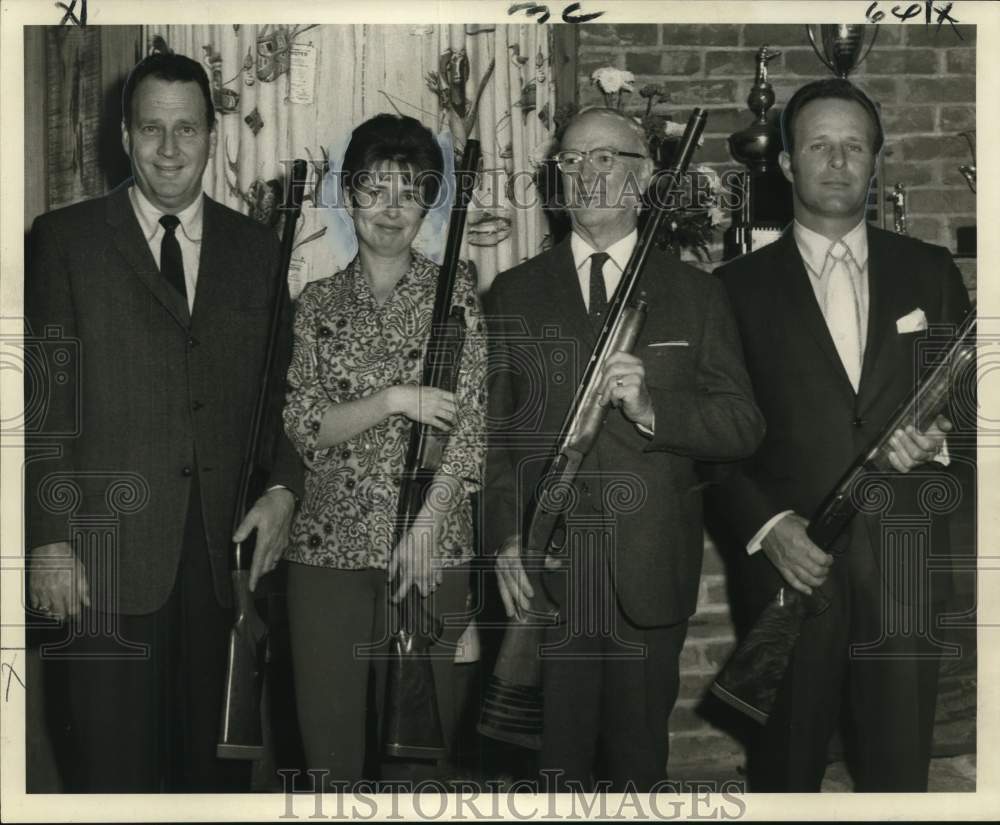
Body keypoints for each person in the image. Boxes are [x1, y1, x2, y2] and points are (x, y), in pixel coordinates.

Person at [25, 52, 302, 792]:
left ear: (214, 136)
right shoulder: (64, 241)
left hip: (225, 568)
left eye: (187, 129)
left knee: (213, 782)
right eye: (152, 129)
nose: (170, 149)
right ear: (125, 135)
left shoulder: (258, 251)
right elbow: (43, 409)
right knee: (109, 779)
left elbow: (287, 396)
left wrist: (282, 490)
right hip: (101, 566)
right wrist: (49, 538)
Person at [484, 108, 764, 791]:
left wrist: (651, 409)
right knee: (554, 773)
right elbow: (491, 441)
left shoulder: (695, 294)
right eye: (573, 161)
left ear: (643, 180)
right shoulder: (514, 293)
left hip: (648, 572)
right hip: (548, 578)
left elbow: (741, 425)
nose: (588, 173)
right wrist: (501, 539)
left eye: (607, 158)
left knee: (639, 771)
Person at [713, 78, 972, 791]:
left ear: (876, 161)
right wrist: (769, 526)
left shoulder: (931, 272)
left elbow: (971, 414)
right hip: (791, 572)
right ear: (789, 164)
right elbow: (711, 441)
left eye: (853, 146)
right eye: (818, 145)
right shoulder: (731, 289)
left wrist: (941, 442)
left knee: (898, 778)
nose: (836, 161)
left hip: (904, 569)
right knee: (786, 777)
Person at [282, 114, 486, 787]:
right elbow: (302, 424)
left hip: (427, 557)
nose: (391, 208)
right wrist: (396, 398)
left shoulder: (457, 296)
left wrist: (426, 528)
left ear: (430, 202)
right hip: (325, 556)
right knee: (329, 764)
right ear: (348, 195)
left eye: (410, 190)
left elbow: (472, 427)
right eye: (374, 188)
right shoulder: (316, 304)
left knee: (418, 770)